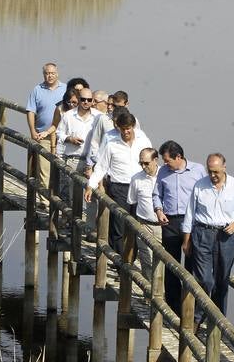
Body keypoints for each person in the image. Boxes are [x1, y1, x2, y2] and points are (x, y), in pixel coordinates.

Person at [182, 152, 234, 328]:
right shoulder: (200, 186)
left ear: (224, 168)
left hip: (225, 236)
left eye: (216, 172)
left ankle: (217, 321)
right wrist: (186, 240)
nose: (212, 176)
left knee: (222, 280)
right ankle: (198, 318)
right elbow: (190, 214)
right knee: (205, 279)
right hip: (202, 234)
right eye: (210, 171)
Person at [84, 111, 152, 255]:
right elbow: (101, 167)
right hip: (119, 187)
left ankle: (131, 259)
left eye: (128, 128)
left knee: (137, 226)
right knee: (118, 226)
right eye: (123, 129)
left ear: (133, 126)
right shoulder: (111, 144)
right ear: (118, 128)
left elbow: (152, 162)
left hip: (139, 187)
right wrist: (90, 186)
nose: (126, 131)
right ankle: (119, 262)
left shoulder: (143, 140)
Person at [152, 140, 206, 315]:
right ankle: (173, 309)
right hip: (170, 221)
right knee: (171, 265)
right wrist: (159, 210)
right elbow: (156, 194)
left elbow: (205, 196)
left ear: (179, 157)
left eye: (167, 160)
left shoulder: (198, 171)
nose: (165, 163)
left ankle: (191, 308)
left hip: (192, 221)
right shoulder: (163, 172)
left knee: (192, 264)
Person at [26, 63, 66, 190]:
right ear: (44, 75)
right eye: (47, 73)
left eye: (52, 73)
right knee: (44, 169)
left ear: (57, 73)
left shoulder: (65, 89)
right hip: (42, 135)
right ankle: (45, 201)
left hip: (61, 137)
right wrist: (32, 131)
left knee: (61, 169)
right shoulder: (37, 89)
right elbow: (30, 111)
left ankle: (59, 199)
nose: (50, 76)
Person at [55, 88, 100, 199]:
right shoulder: (68, 115)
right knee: (73, 197)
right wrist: (69, 138)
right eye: (83, 99)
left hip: (92, 163)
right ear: (79, 99)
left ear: (92, 101)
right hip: (73, 160)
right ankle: (73, 216)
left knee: (91, 197)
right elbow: (58, 133)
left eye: (89, 100)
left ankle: (86, 217)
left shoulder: (99, 117)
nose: (86, 102)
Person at [127, 148, 162, 281]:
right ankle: (148, 295)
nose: (143, 166)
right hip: (144, 224)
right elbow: (132, 200)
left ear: (155, 160)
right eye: (141, 163)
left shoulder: (165, 176)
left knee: (162, 261)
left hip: (162, 226)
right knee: (146, 259)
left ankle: (161, 295)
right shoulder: (136, 179)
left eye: (146, 163)